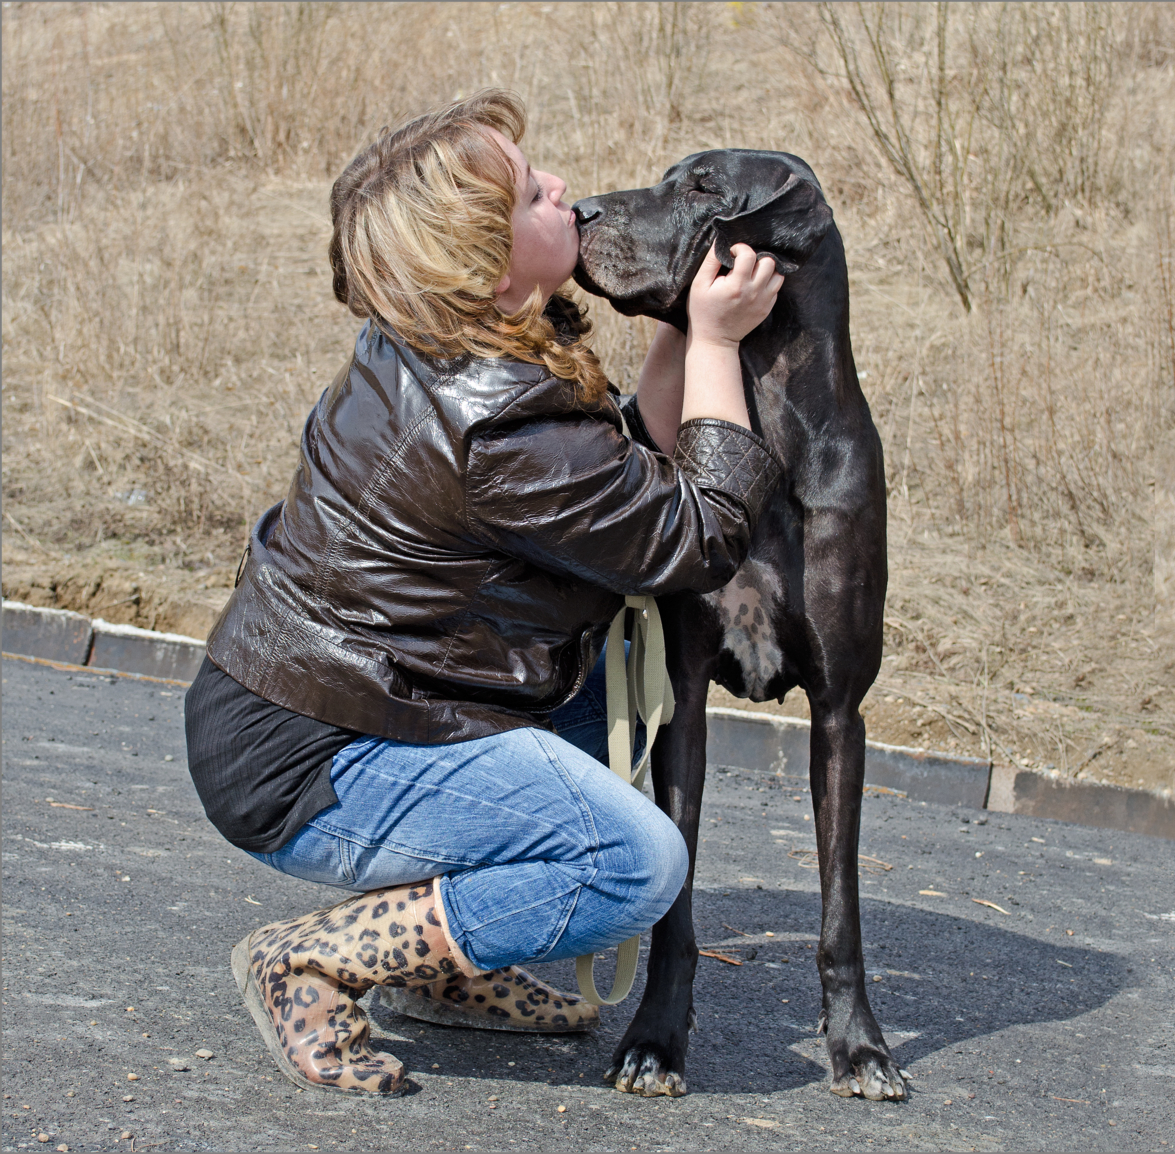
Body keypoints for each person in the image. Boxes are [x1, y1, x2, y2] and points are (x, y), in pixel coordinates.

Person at [183, 89, 784, 1096]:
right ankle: (321, 958)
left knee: (594, 679)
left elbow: (619, 481)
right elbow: (700, 531)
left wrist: (682, 324)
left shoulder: (449, 351)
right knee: (633, 862)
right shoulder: (496, 424)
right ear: (489, 265)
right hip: (310, 754)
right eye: (530, 192)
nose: (561, 187)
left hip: (327, 702)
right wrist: (720, 344)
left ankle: (445, 967)